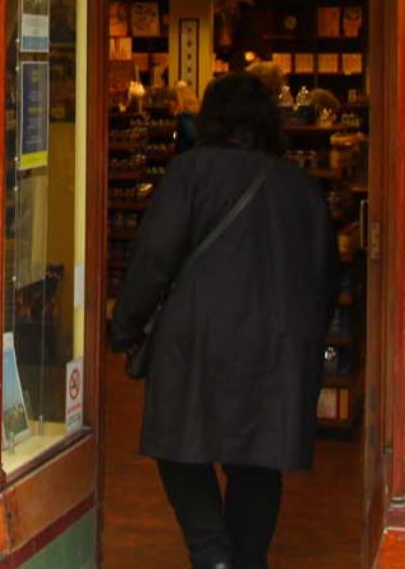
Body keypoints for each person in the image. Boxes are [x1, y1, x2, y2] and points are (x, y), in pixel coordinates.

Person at [110, 74, 337, 569]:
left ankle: (213, 553)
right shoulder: (300, 187)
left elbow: (152, 260)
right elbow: (324, 280)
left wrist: (124, 328)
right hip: (278, 345)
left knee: (179, 448)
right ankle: (248, 557)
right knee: (257, 459)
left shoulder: (190, 173)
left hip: (197, 338)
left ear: (210, 119)